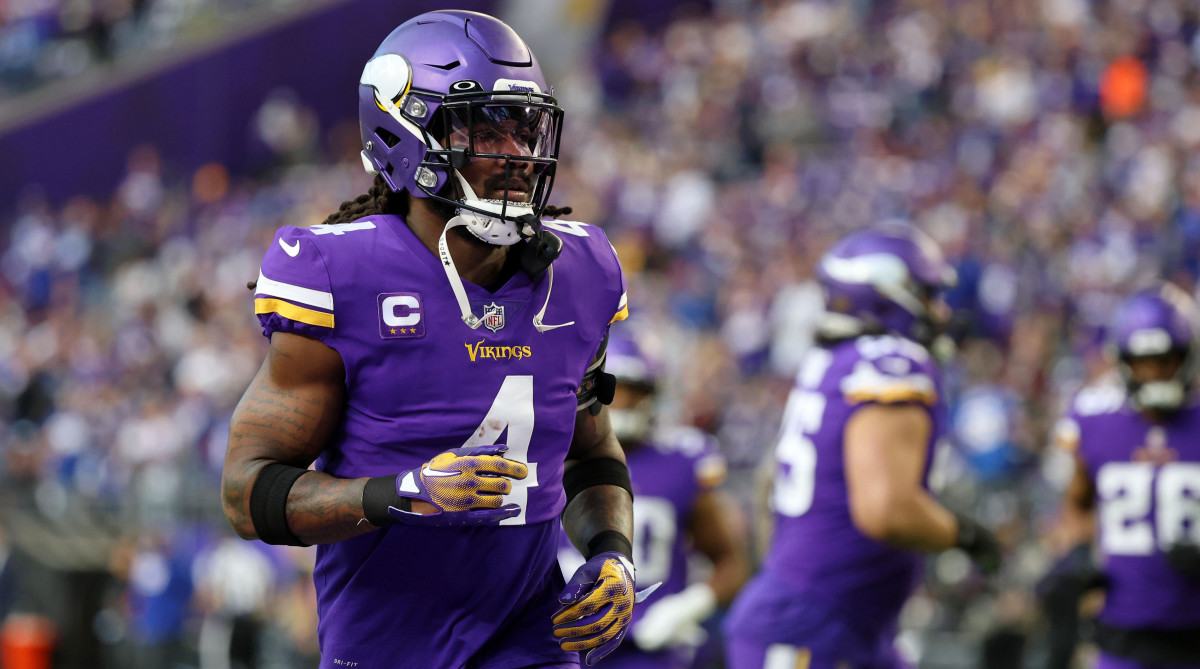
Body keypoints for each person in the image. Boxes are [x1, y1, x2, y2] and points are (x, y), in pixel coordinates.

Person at [220, 10, 645, 668]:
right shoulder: (339, 274)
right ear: (407, 135)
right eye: (483, 129)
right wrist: (400, 494)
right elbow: (247, 493)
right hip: (387, 650)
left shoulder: (581, 271)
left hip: (533, 642)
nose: (517, 156)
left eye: (525, 129)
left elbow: (590, 452)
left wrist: (613, 550)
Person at [724, 222, 1001, 669]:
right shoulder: (892, 362)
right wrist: (967, 537)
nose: (942, 313)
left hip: (832, 621)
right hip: (817, 628)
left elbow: (767, 483)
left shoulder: (831, 361)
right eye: (930, 296)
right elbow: (885, 510)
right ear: (891, 295)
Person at [557, 335, 751, 669]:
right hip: (563, 640)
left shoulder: (681, 460)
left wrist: (688, 607)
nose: (620, 402)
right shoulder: (548, 457)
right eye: (609, 390)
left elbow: (732, 562)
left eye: (632, 391)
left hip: (652, 646)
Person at [1045, 285, 1200, 669]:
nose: (1155, 373)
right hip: (1122, 635)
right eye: (1144, 361)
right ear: (1122, 362)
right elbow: (1076, 505)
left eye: (1166, 360)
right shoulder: (1094, 419)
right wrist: (1079, 553)